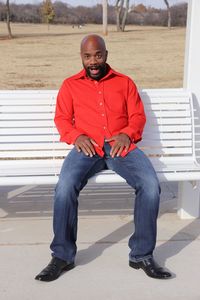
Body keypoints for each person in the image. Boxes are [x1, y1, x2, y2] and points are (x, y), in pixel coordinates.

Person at [35, 34, 172, 282]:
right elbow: (62, 119)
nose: (93, 61)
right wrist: (76, 136)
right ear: (82, 58)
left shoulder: (125, 82)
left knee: (150, 186)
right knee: (64, 188)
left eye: (98, 55)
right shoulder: (70, 85)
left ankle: (141, 255)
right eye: (88, 56)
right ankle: (62, 255)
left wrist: (127, 135)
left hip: (121, 147)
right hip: (86, 148)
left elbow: (138, 117)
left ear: (106, 55)